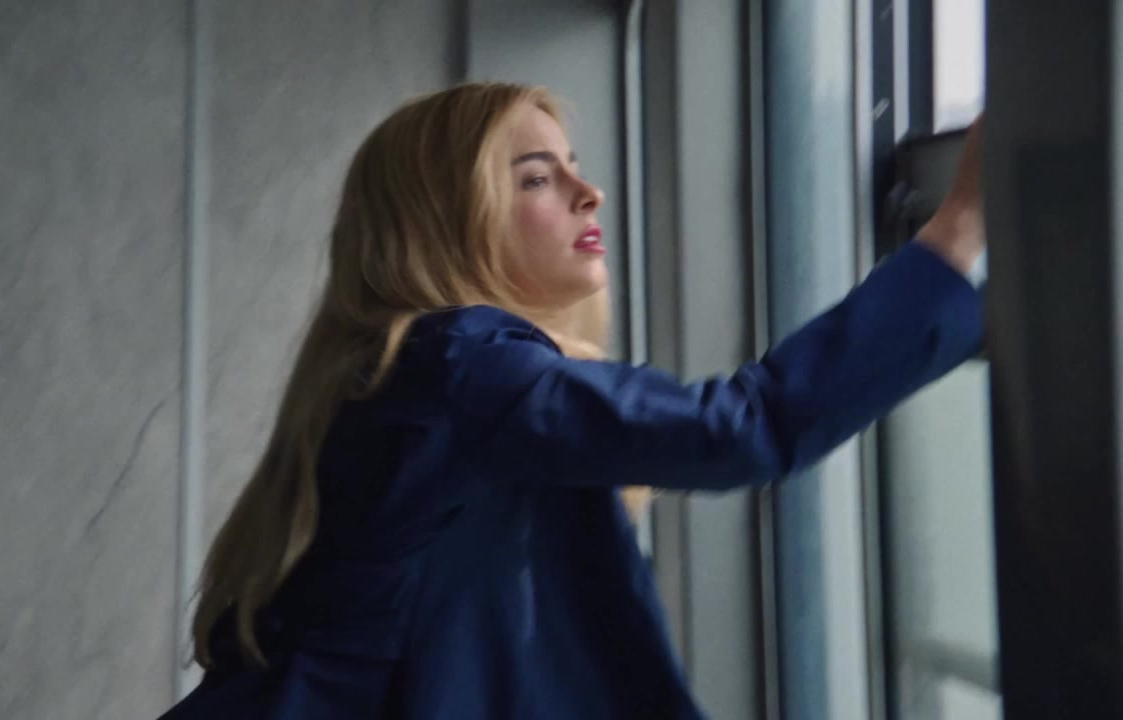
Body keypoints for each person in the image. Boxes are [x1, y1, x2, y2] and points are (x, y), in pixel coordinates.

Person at [159, 82, 986, 719]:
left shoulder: (404, 374)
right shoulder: (463, 367)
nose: (589, 193)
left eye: (573, 167)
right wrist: (955, 232)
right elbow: (745, 427)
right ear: (450, 219)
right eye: (536, 178)